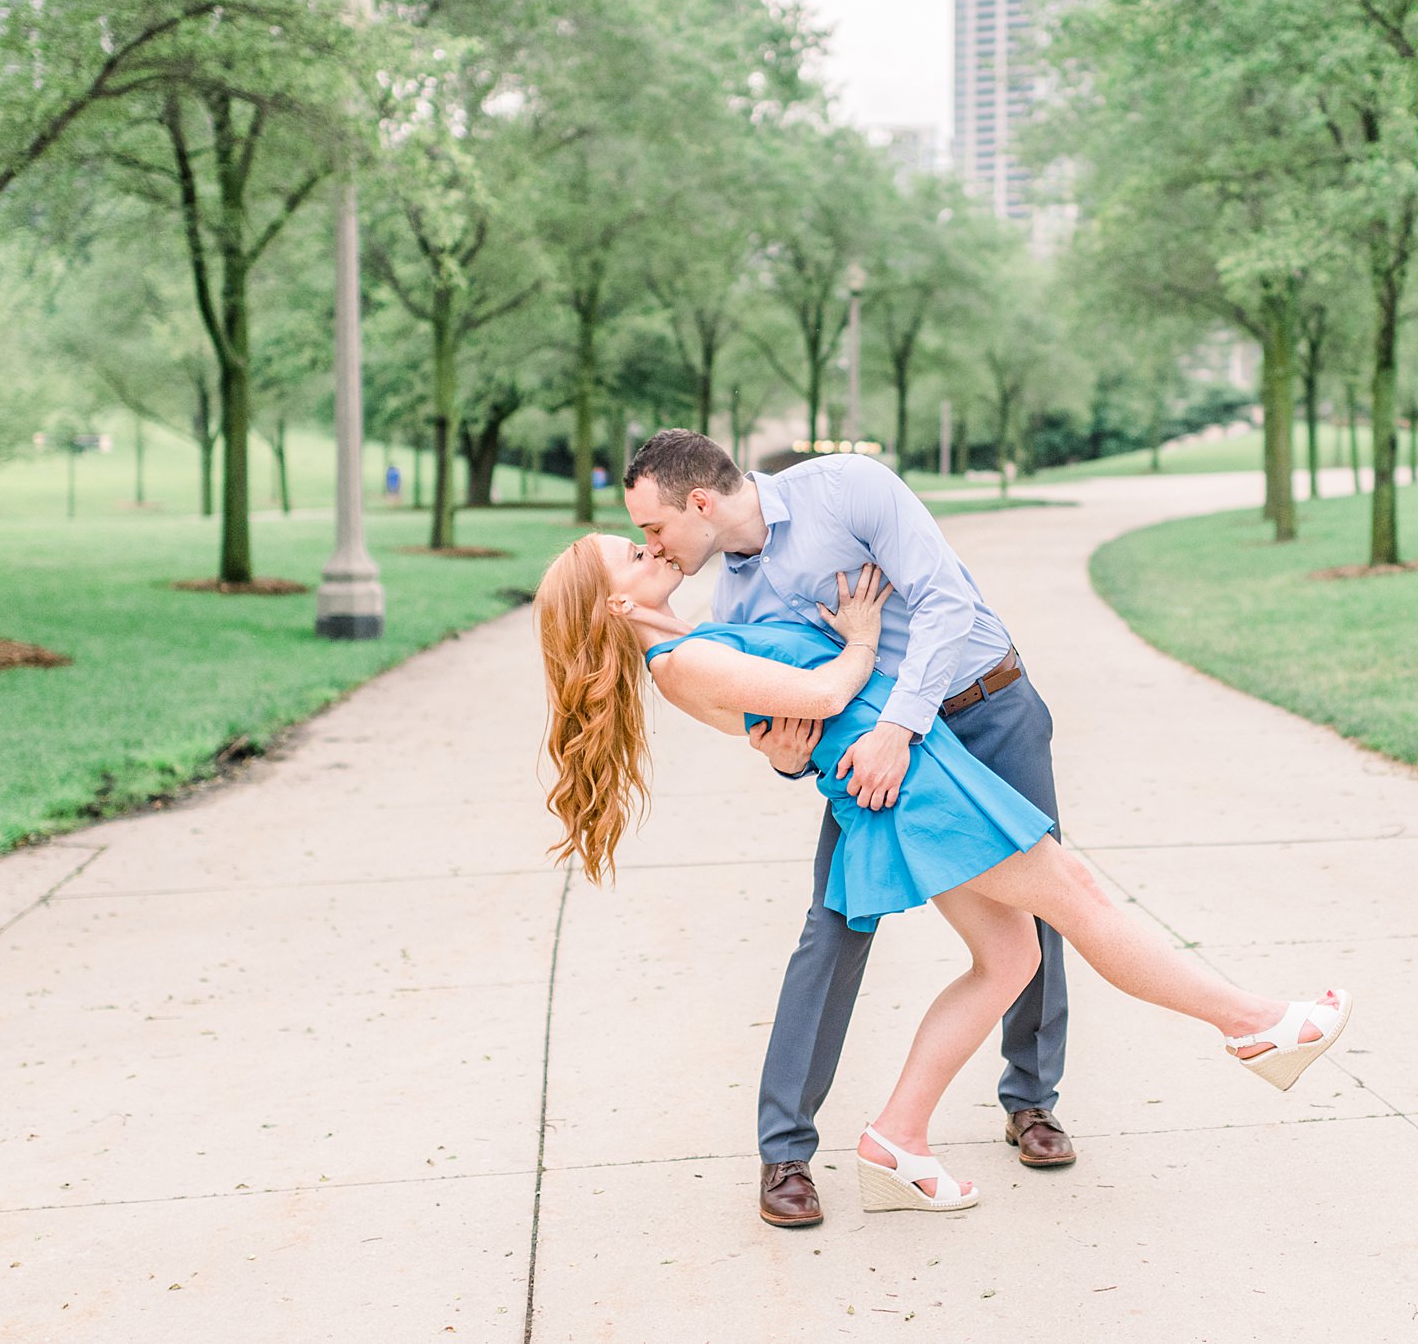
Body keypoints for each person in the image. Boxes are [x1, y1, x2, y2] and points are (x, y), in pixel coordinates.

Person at [534, 534, 1352, 1219]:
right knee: (1082, 900)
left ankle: (898, 1137)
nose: (652, 548)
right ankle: (1254, 1025)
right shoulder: (682, 662)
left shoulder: (700, 640)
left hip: (915, 776)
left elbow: (792, 726)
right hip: (916, 787)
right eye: (633, 554)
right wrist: (860, 634)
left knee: (1013, 959)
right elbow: (821, 694)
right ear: (614, 606)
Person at [628, 429, 1075, 1226]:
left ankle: (1031, 1101)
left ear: (699, 504)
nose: (651, 546)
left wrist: (899, 729)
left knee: (1045, 909)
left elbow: (944, 600)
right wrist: (784, 756)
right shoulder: (732, 605)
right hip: (878, 757)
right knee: (834, 925)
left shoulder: (847, 488)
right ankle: (785, 1155)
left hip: (984, 707)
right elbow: (787, 719)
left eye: (654, 527)